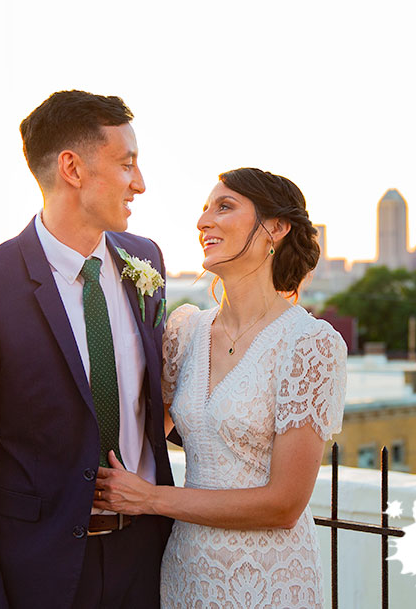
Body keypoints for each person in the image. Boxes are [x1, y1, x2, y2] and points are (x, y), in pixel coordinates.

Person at [0, 90, 173, 608]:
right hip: (40, 573)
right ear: (72, 168)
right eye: (127, 163)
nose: (141, 183)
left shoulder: (145, 261)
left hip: (149, 557)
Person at [94, 167, 348, 609]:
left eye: (224, 207)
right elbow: (148, 429)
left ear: (275, 228)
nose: (203, 222)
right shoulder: (186, 331)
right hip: (186, 571)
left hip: (270, 580)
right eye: (204, 209)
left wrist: (151, 498)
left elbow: (285, 504)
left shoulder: (310, 344)